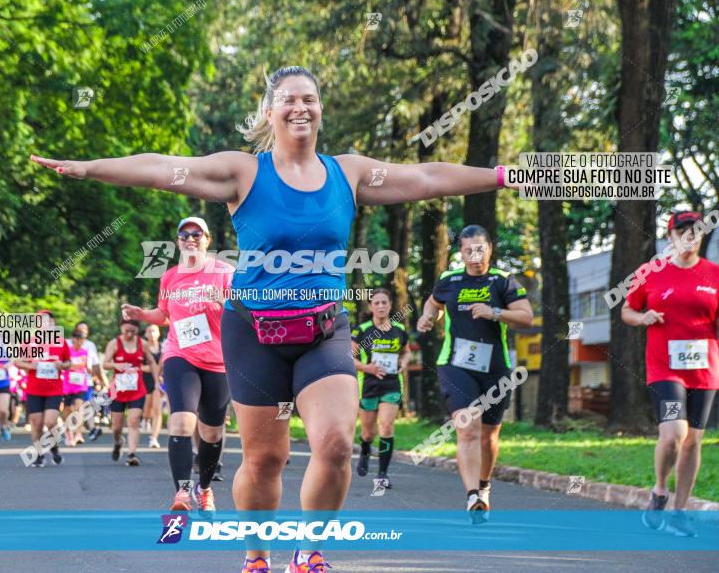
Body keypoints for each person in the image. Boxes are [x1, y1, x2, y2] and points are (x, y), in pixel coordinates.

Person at [32, 64, 510, 572]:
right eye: (288, 99)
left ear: (321, 109)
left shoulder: (347, 173)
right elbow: (161, 167)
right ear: (269, 111)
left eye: (309, 98)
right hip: (254, 334)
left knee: (336, 443)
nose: (299, 107)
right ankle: (257, 556)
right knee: (265, 459)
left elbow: (429, 176)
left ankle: (308, 552)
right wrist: (90, 167)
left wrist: (503, 176)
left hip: (323, 332)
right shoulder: (244, 171)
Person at [417, 225, 533, 523]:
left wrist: (495, 312)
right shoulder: (449, 279)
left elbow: (526, 317)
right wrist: (428, 318)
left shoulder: (503, 281)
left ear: (489, 249)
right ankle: (471, 496)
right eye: (468, 250)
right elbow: (434, 304)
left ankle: (483, 486)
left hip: (495, 367)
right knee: (468, 428)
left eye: (480, 249)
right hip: (455, 363)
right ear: (461, 252)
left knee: (489, 436)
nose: (474, 255)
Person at [121, 217, 233, 511]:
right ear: (177, 241)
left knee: (212, 433)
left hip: (218, 360)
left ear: (207, 239)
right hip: (180, 354)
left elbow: (245, 310)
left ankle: (204, 488)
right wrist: (140, 314)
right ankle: (181, 493)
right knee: (182, 422)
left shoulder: (225, 273)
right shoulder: (170, 276)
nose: (190, 239)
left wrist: (226, 304)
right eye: (184, 235)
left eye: (197, 234)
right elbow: (163, 314)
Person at [622, 211, 719, 537]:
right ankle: (660, 490)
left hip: (704, 369)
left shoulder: (714, 274)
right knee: (675, 433)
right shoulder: (651, 273)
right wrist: (643, 317)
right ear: (671, 238)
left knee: (693, 442)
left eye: (695, 232)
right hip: (665, 367)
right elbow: (627, 310)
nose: (689, 237)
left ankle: (680, 511)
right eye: (682, 232)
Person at [352, 288, 410, 489]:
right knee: (368, 433)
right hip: (368, 385)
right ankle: (365, 450)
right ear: (371, 306)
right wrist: (367, 367)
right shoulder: (361, 331)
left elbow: (406, 352)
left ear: (390, 305)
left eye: (384, 302)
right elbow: (348, 359)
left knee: (386, 426)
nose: (381, 306)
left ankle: (382, 474)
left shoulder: (399, 329)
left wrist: (403, 362)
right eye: (376, 303)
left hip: (392, 383)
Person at [14, 310, 71, 467]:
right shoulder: (29, 342)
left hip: (54, 389)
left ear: (53, 324)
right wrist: (30, 365)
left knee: (51, 422)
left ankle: (54, 448)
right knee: (36, 423)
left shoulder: (61, 342)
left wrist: (62, 365)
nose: (46, 324)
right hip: (34, 389)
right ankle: (39, 454)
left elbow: (68, 363)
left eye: (49, 321)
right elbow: (17, 361)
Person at [102, 319, 159, 466]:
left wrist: (157, 381)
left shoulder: (142, 344)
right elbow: (105, 364)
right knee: (116, 426)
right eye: (126, 330)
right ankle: (118, 442)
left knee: (134, 421)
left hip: (137, 389)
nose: (129, 334)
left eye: (132, 331)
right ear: (121, 328)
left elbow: (152, 362)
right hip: (118, 390)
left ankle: (131, 454)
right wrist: (116, 364)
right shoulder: (114, 343)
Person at [70, 321, 106, 442]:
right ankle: (85, 430)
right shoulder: (68, 343)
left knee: (84, 407)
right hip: (69, 382)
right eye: (80, 330)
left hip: (85, 382)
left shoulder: (90, 345)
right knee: (72, 409)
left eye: (85, 331)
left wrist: (102, 381)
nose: (82, 333)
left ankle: (84, 432)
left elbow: (96, 365)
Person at [62, 330, 91, 447]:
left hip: (80, 385)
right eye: (78, 338)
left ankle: (78, 434)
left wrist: (89, 369)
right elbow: (63, 365)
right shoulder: (67, 351)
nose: (80, 341)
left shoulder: (85, 352)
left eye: (83, 338)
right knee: (68, 411)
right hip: (68, 386)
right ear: (73, 338)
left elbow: (87, 367)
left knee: (78, 408)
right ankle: (69, 433)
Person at [142, 323, 165, 449]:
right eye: (149, 331)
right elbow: (138, 366)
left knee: (157, 410)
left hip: (159, 381)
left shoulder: (163, 347)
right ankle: (145, 419)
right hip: (144, 381)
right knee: (147, 409)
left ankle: (153, 438)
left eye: (154, 331)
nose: (151, 334)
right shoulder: (142, 348)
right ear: (145, 334)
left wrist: (159, 373)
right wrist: (151, 368)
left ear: (159, 333)